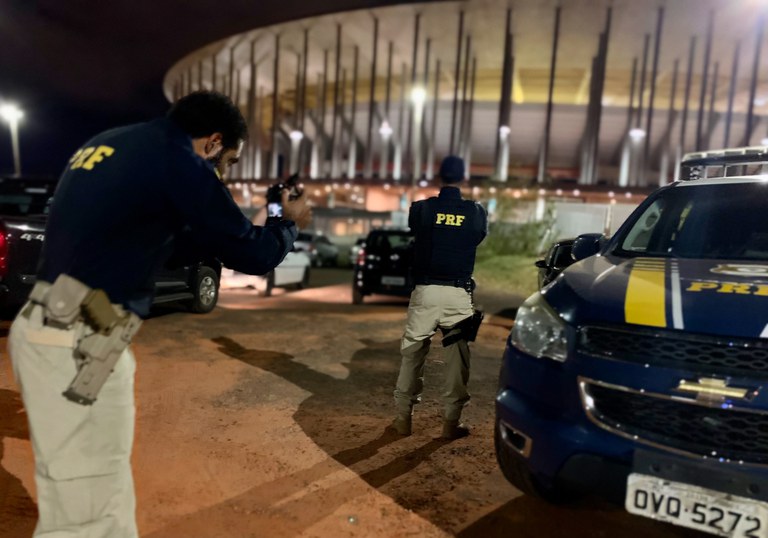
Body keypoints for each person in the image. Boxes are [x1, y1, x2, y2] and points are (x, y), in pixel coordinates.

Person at [7, 90, 311, 538]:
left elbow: (180, 242)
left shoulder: (114, 143)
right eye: (227, 161)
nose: (222, 172)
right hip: (79, 340)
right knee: (87, 512)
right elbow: (255, 254)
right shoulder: (177, 160)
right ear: (212, 141)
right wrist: (288, 222)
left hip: (59, 327)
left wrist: (246, 220)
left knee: (98, 498)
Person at [391, 155, 488, 439]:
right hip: (458, 294)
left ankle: (402, 420)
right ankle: (449, 424)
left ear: (439, 177)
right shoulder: (475, 212)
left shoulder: (421, 209)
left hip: (425, 291)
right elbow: (476, 237)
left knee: (412, 355)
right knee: (457, 360)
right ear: (463, 178)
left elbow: (415, 231)